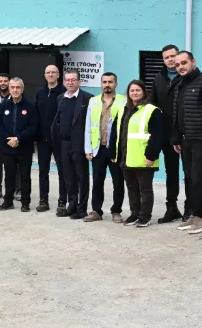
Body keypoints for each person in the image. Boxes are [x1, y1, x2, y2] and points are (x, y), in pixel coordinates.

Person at [170, 51, 202, 234]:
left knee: (198, 177)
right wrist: (176, 137)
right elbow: (177, 113)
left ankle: (200, 216)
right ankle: (192, 213)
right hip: (185, 140)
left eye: (184, 63)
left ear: (193, 62)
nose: (180, 67)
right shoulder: (180, 84)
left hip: (201, 140)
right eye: (177, 65)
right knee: (189, 177)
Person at [107, 80, 164, 227]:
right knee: (132, 188)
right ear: (128, 93)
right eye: (132, 90)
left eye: (138, 90)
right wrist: (113, 152)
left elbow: (158, 135)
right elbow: (115, 133)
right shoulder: (122, 110)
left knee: (145, 189)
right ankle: (135, 214)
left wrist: (151, 155)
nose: (134, 93)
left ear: (144, 92)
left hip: (144, 158)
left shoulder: (152, 110)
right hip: (126, 157)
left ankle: (145, 217)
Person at [84, 72, 126, 222]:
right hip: (98, 148)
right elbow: (88, 126)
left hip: (115, 149)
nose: (107, 85)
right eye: (104, 82)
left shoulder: (123, 101)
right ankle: (96, 211)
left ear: (116, 84)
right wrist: (88, 149)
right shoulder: (93, 101)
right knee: (97, 181)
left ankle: (116, 211)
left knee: (118, 181)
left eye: (110, 82)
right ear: (101, 84)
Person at [148, 44, 182, 223]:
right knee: (164, 171)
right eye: (166, 57)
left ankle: (185, 208)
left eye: (173, 56)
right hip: (162, 131)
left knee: (178, 172)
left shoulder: (185, 76)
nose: (170, 59)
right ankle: (171, 208)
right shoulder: (158, 78)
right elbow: (151, 104)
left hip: (181, 133)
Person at [0, 78, 39, 211]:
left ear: (22, 90)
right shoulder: (3, 105)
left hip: (24, 147)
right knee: (9, 176)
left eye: (18, 87)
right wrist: (8, 139)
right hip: (7, 147)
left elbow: (33, 126)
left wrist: (18, 138)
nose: (15, 90)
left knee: (25, 176)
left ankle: (25, 203)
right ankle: (8, 201)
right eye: (12, 87)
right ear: (9, 89)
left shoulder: (30, 106)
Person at [53, 70, 92, 219]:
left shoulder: (87, 98)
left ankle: (82, 209)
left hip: (80, 145)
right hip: (64, 144)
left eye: (73, 80)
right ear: (64, 82)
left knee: (82, 178)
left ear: (79, 82)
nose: (70, 82)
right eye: (68, 80)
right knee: (68, 177)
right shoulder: (60, 98)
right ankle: (72, 205)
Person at [34, 65, 66, 212]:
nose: (51, 74)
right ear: (45, 75)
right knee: (43, 171)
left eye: (54, 72)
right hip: (43, 140)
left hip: (59, 140)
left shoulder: (64, 93)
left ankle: (62, 202)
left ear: (58, 75)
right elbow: (36, 115)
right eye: (48, 72)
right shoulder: (40, 93)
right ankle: (43, 201)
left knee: (62, 172)